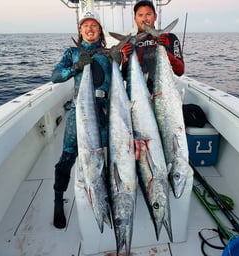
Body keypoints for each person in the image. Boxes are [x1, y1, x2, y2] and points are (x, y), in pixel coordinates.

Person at [51, 10, 112, 229]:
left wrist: (119, 61)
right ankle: (58, 199)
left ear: (100, 30)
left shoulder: (108, 53)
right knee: (67, 156)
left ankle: (106, 197)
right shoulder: (72, 52)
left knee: (104, 157)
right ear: (80, 30)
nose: (89, 29)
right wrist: (76, 66)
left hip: (104, 111)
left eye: (94, 25)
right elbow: (55, 76)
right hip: (79, 111)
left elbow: (119, 82)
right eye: (85, 25)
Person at [121, 0, 184, 94]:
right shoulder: (129, 43)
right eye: (140, 15)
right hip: (138, 95)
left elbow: (180, 71)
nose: (144, 19)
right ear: (135, 19)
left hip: (163, 94)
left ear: (155, 16)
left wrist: (166, 52)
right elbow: (125, 76)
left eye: (148, 14)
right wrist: (125, 58)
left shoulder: (169, 38)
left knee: (195, 109)